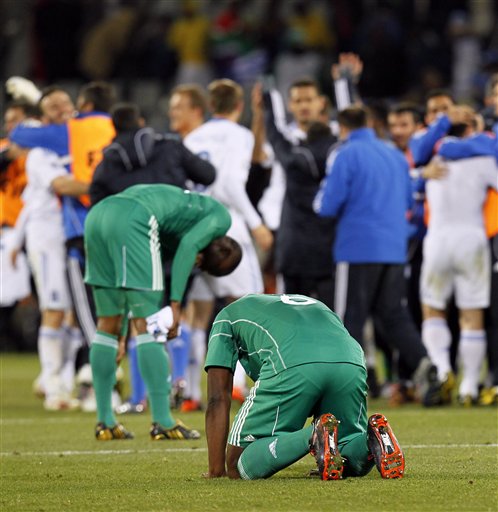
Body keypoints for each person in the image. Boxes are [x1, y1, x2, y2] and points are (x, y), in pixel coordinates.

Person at [84, 184, 242, 440]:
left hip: (99, 214)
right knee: (149, 326)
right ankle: (163, 421)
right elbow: (189, 247)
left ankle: (105, 422)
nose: (195, 264)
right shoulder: (221, 218)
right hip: (135, 216)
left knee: (107, 324)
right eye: (201, 264)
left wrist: (122, 334)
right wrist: (176, 305)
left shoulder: (182, 219)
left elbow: (128, 289)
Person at [314, 106, 442, 406]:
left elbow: (327, 205)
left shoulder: (345, 154)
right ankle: (425, 366)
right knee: (395, 315)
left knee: (348, 319)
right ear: (370, 123)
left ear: (342, 127)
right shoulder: (395, 156)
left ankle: (346, 389)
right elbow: (410, 199)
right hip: (395, 249)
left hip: (357, 248)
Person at [204, 293, 405, 481]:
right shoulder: (307, 302)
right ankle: (371, 439)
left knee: (236, 465)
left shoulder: (227, 316)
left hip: (292, 362)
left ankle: (313, 435)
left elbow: (217, 397)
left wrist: (215, 470)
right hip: (350, 361)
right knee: (344, 445)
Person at [420, 109, 498, 405]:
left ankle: (442, 371)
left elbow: (412, 179)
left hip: (438, 239)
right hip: (472, 239)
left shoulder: (432, 159)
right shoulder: (484, 159)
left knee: (433, 310)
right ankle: (468, 386)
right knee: (471, 315)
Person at [9, 141, 89, 410]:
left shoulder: (64, 152)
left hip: (66, 238)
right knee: (54, 309)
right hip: (47, 241)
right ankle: (53, 384)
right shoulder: (39, 154)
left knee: (73, 315)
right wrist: (104, 185)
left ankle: (62, 380)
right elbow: (60, 187)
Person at [90, 102, 216, 204]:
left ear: (113, 127)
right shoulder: (170, 147)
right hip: (176, 227)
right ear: (141, 122)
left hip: (132, 231)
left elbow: (96, 203)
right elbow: (208, 175)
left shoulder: (107, 162)